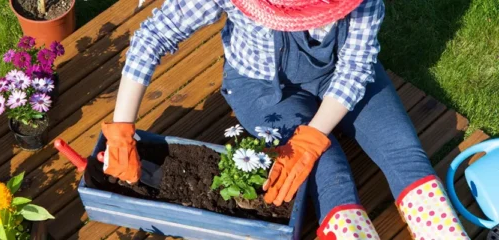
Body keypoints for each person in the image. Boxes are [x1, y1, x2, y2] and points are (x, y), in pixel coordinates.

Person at [99, 0, 470, 239]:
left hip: (343, 75)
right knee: (331, 172)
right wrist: (121, 129)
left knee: (405, 153)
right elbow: (154, 35)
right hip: (263, 90)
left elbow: (356, 67)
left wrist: (311, 139)